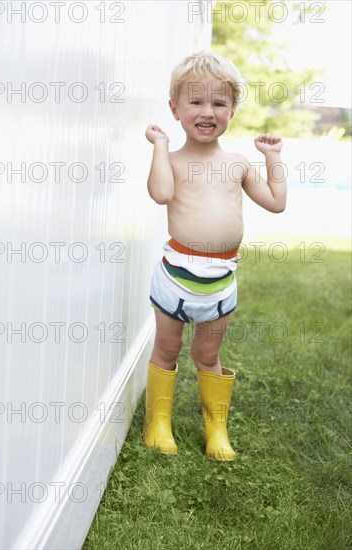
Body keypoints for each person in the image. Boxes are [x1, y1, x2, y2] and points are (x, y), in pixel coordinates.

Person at [142, 51, 287, 461]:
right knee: (167, 349)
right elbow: (161, 194)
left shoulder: (237, 164)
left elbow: (276, 202)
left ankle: (216, 429)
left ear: (232, 111)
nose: (208, 111)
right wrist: (160, 144)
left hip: (220, 280)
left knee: (208, 354)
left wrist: (272, 159)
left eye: (219, 103)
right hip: (176, 277)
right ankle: (157, 422)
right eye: (196, 102)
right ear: (175, 109)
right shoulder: (171, 161)